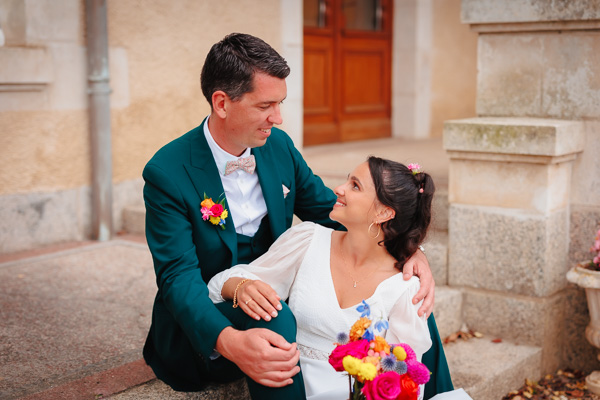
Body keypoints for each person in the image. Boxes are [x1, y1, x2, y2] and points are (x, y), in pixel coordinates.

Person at [141, 32, 448, 399]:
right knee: (277, 316)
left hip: (277, 286)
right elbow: (178, 278)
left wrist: (408, 251)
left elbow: (328, 209)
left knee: (412, 298)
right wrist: (230, 341)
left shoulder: (278, 147)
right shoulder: (167, 172)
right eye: (265, 105)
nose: (279, 118)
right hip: (209, 313)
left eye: (281, 103)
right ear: (222, 103)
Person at [208, 157, 434, 399]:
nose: (339, 189)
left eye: (355, 186)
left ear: (383, 213)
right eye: (347, 180)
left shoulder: (405, 288)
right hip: (287, 388)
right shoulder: (308, 240)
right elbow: (221, 284)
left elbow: (403, 382)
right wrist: (241, 287)